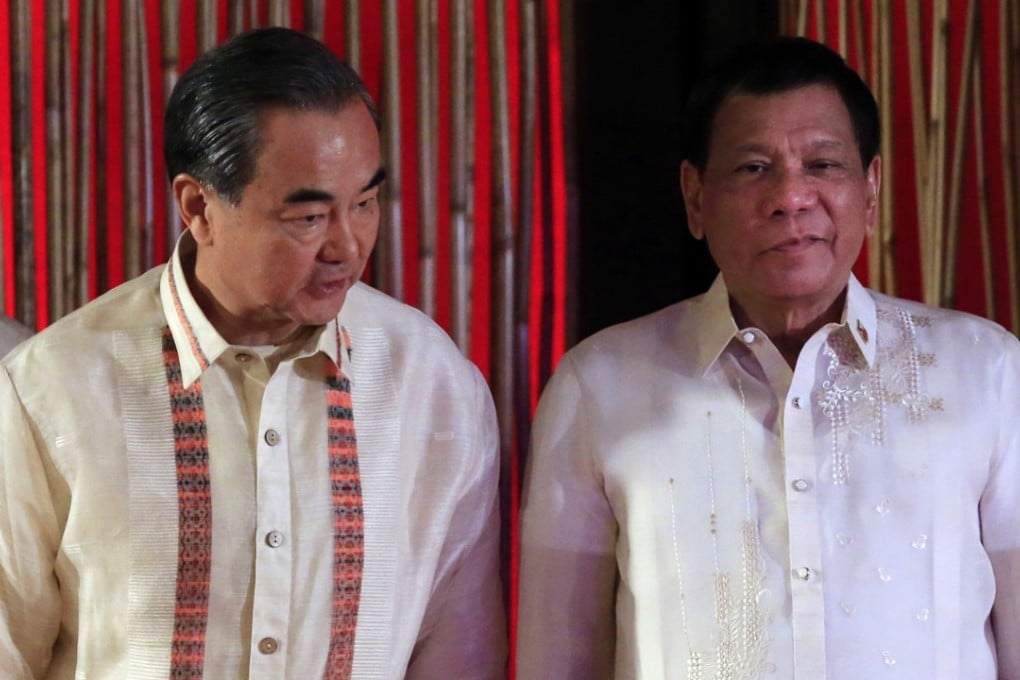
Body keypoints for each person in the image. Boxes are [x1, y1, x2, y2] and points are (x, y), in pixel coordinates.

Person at [0, 27, 505, 678]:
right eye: (309, 217)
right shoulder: (52, 389)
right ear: (198, 206)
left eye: (366, 203)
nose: (347, 246)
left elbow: (459, 652)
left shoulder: (431, 385)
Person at [517, 36, 1019, 679]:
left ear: (870, 187)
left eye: (823, 164)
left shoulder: (986, 371)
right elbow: (555, 660)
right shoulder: (601, 384)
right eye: (754, 167)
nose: (791, 197)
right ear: (695, 197)